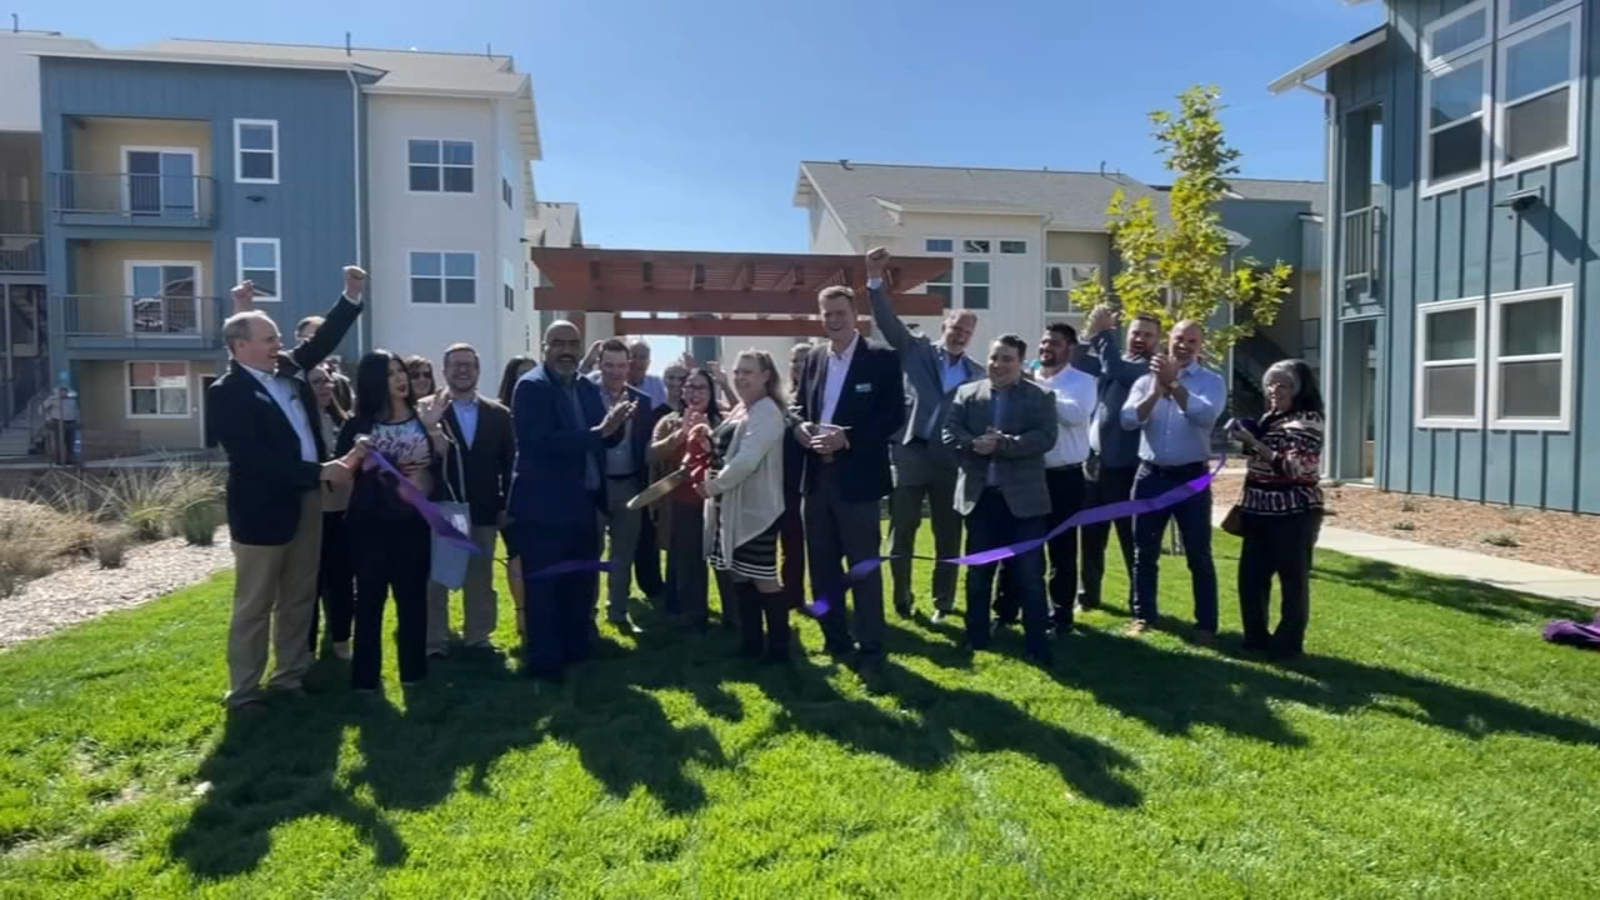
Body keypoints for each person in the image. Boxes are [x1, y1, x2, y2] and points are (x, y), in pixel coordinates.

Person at [205, 266, 369, 710]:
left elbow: (322, 342)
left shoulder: (289, 371)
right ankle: (243, 692)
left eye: (278, 337)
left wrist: (350, 295)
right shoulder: (227, 392)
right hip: (261, 511)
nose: (280, 344)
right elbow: (253, 460)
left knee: (299, 597)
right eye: (270, 338)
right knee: (255, 606)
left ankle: (290, 678)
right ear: (242, 347)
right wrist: (319, 471)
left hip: (306, 503)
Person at [506, 322, 634, 682]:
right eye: (558, 343)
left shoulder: (584, 386)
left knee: (579, 581)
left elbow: (601, 440)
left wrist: (617, 427)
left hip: (583, 503)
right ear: (545, 346)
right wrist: (600, 433)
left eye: (572, 343)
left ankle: (577, 650)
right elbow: (539, 443)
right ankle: (545, 662)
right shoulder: (531, 386)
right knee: (545, 587)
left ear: (580, 348)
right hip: (543, 508)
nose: (566, 350)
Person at [865, 247, 983, 623]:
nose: (960, 335)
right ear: (944, 326)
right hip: (911, 454)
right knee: (902, 532)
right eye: (955, 328)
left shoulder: (977, 373)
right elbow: (887, 321)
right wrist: (873, 280)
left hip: (950, 462)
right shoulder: (916, 351)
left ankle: (943, 602)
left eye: (967, 332)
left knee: (949, 537)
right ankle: (902, 600)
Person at [793, 282, 905, 674]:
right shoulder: (812, 359)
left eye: (840, 313)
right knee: (821, 568)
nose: (834, 321)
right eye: (827, 314)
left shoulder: (882, 359)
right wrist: (800, 427)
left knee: (863, 569)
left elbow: (893, 418)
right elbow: (797, 406)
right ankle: (835, 640)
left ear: (855, 315)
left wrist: (848, 438)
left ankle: (871, 646)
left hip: (859, 483)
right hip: (817, 482)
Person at [338, 350, 451, 692]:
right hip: (369, 525)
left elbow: (441, 462)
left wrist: (432, 430)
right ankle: (365, 681)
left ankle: (414, 675)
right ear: (374, 381)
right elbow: (339, 475)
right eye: (390, 374)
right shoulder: (357, 424)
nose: (401, 378)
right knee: (370, 601)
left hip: (413, 524)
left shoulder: (423, 417)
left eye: (400, 371)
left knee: (413, 599)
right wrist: (359, 455)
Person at [944, 335, 1058, 665]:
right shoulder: (967, 394)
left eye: (1007, 359)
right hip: (981, 500)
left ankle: (1036, 643)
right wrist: (973, 444)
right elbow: (949, 433)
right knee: (979, 575)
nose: (998, 365)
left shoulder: (1040, 397)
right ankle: (976, 637)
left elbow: (1046, 438)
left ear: (1020, 363)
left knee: (1029, 575)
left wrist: (1004, 445)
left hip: (1025, 503)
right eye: (994, 358)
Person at [1121, 319, 1226, 642]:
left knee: (1198, 554)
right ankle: (1143, 615)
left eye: (1192, 341)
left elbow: (1206, 416)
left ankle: (1206, 624)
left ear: (1200, 346)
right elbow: (1127, 420)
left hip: (1190, 477)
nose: (1184, 345)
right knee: (1144, 551)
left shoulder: (1212, 381)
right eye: (1180, 338)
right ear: (1169, 340)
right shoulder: (1144, 381)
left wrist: (1175, 386)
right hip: (1151, 475)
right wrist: (1156, 390)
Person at [426, 342, 515, 658]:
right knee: (437, 578)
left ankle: (478, 636)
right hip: (442, 508)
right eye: (455, 365)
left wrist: (504, 505)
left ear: (478, 370)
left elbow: (509, 463)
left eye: (468, 365)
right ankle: (434, 642)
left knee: (480, 576)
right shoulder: (427, 410)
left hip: (483, 508)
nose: (462, 370)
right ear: (444, 370)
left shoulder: (499, 414)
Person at [1232, 359, 1324, 661]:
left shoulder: (1307, 421)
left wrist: (1255, 444)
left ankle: (1287, 645)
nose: (1274, 390)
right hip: (1258, 511)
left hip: (1293, 514)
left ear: (1299, 390)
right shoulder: (1271, 417)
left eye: (1283, 384)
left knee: (1292, 583)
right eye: (1271, 383)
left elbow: (1294, 467)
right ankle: (1255, 639)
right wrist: (1247, 439)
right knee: (1251, 579)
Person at [702, 350, 790, 661]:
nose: (740, 378)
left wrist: (713, 486)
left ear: (766, 375)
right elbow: (725, 445)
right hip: (732, 506)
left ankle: (779, 648)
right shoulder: (744, 407)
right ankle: (751, 643)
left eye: (748, 372)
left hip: (757, 509)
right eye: (738, 372)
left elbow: (746, 460)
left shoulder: (766, 411)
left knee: (763, 577)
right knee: (740, 574)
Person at [1075, 307, 1160, 612]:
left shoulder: (1151, 370)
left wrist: (1105, 334)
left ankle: (1139, 603)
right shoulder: (1115, 361)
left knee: (1129, 537)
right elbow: (1076, 362)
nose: (1140, 339)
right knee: (1091, 535)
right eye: (1136, 332)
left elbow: (1117, 373)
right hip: (1095, 463)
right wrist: (1090, 333)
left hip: (1125, 468)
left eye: (1148, 335)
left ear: (1157, 341)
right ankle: (1088, 596)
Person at [649, 368, 722, 627]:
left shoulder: (722, 419)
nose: (693, 392)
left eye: (700, 387)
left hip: (718, 503)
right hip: (682, 502)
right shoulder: (669, 421)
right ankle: (693, 616)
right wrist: (680, 434)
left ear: (712, 392)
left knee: (723, 563)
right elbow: (652, 454)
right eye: (689, 387)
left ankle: (736, 618)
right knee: (687, 561)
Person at [1036, 322, 1096, 632]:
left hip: (1066, 478)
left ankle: (1061, 616)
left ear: (1069, 349)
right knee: (1026, 546)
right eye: (1044, 342)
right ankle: (1019, 610)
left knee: (1062, 550)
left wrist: (1040, 390)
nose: (1047, 348)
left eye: (1055, 343)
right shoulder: (1029, 377)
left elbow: (1074, 415)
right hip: (1030, 477)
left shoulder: (1083, 381)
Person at [592, 338, 655, 634]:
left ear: (629, 366)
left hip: (630, 485)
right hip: (594, 486)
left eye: (620, 365)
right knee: (590, 553)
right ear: (599, 364)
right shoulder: (585, 395)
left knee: (623, 554)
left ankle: (617, 611)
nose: (615, 372)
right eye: (609, 365)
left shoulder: (642, 400)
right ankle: (586, 613)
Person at [306, 364, 355, 660]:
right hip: (311, 513)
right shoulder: (297, 423)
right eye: (316, 382)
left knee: (341, 580)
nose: (325, 387)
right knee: (308, 584)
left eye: (327, 381)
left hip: (342, 512)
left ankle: (340, 640)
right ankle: (307, 647)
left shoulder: (343, 421)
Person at [496, 354, 536, 635]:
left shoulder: (546, 411)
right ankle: (522, 614)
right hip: (511, 498)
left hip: (544, 498)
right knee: (517, 555)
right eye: (521, 375)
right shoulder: (499, 415)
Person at [780, 344, 809, 610]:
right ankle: (792, 597)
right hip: (785, 481)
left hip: (813, 479)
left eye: (804, 360)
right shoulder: (784, 400)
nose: (798, 365)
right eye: (794, 361)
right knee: (792, 543)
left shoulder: (820, 397)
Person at [298, 315, 354, 411]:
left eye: (320, 339)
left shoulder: (341, 382)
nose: (315, 343)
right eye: (309, 338)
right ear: (298, 338)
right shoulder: (289, 377)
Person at [41, 378, 79, 466]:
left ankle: (69, 459)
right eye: (61, 391)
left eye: (65, 391)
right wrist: (48, 419)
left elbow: (76, 411)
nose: (63, 392)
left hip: (70, 422)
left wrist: (77, 420)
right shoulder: (52, 400)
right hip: (57, 422)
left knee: (70, 442)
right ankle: (58, 460)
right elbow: (42, 409)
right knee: (58, 442)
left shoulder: (72, 401)